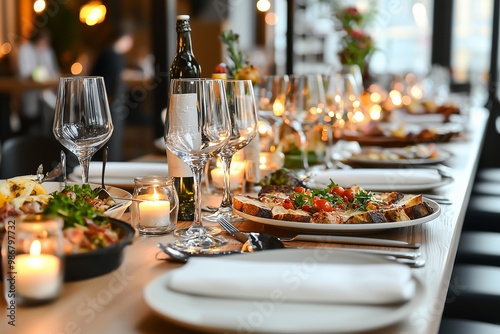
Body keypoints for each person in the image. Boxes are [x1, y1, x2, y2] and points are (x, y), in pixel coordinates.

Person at [90, 27, 134, 161]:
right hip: (103, 108)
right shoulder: (112, 56)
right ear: (125, 38)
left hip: (105, 106)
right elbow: (104, 83)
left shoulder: (110, 54)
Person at [17, 28, 59, 134]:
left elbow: (54, 71)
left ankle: (52, 129)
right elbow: (25, 73)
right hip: (30, 92)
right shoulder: (25, 49)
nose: (43, 44)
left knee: (53, 105)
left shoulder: (47, 50)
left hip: (47, 90)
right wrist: (40, 74)